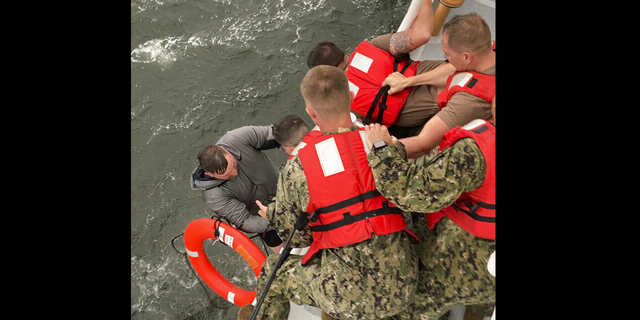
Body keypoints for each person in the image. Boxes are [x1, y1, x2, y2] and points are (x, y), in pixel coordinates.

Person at [241, 65, 419, 320]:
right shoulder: (385, 145)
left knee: (274, 270)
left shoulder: (297, 168)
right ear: (351, 98)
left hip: (346, 297)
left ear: (311, 113)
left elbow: (297, 238)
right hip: (404, 285)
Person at [362, 94, 496, 319]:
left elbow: (413, 193)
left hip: (471, 264)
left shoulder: (474, 151)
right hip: (491, 274)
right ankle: (479, 309)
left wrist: (381, 147)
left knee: (411, 305)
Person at [307, 0, 457, 130]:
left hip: (411, 110)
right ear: (342, 52)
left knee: (457, 90)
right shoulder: (372, 46)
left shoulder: (343, 96)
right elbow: (422, 34)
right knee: (463, 73)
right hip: (431, 72)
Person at [387, 13, 496, 158]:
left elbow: (422, 144)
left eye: (447, 54)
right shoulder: (487, 51)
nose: (445, 57)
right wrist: (408, 81)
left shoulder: (469, 102)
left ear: (466, 57)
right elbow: (452, 68)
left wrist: (378, 148)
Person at [190, 125, 283, 252]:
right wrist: (277, 219)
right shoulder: (214, 196)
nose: (234, 172)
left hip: (285, 190)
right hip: (264, 220)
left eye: (234, 165)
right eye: (227, 175)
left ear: (224, 149)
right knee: (283, 250)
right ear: (209, 174)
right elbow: (245, 221)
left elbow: (278, 133)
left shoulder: (237, 138)